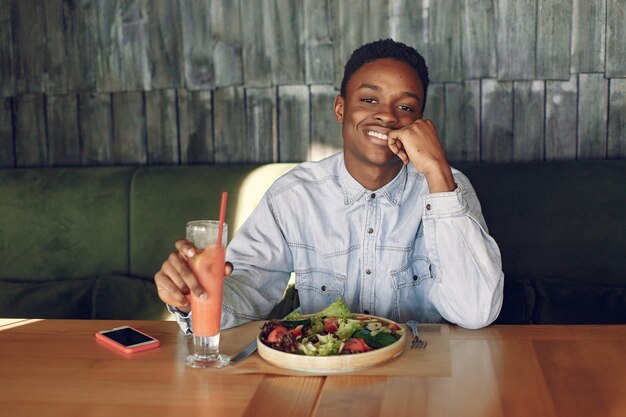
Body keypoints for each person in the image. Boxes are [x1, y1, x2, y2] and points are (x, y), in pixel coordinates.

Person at [154, 38, 504, 331]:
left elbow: (476, 312)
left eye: (406, 107)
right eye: (369, 99)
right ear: (340, 109)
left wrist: (437, 173)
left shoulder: (449, 188)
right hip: (325, 379)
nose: (387, 115)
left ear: (421, 123)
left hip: (421, 380)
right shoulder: (294, 195)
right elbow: (246, 291)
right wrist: (192, 296)